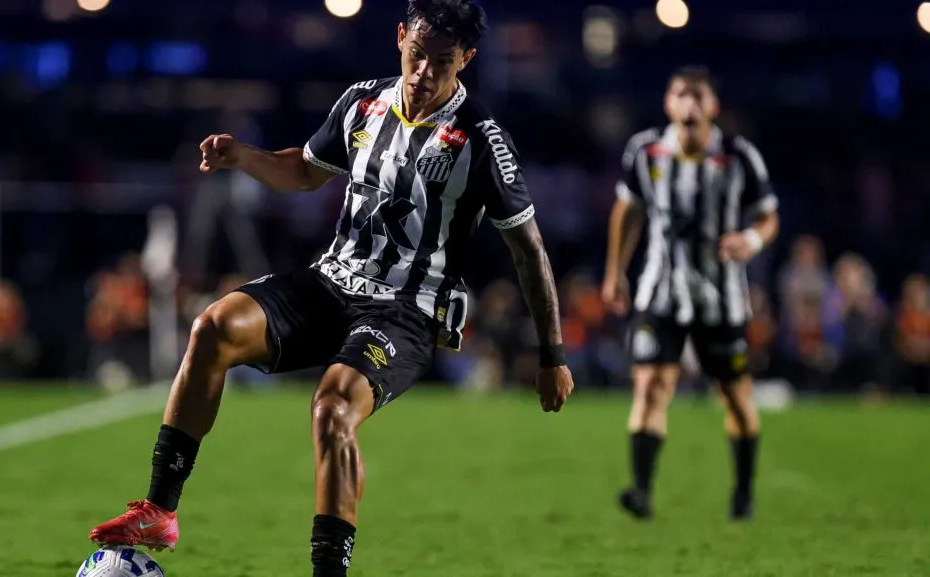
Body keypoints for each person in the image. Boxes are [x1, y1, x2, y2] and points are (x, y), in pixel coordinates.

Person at [88, 1, 575, 574]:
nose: (423, 73)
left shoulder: (480, 139)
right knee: (213, 326)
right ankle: (159, 511)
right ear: (400, 38)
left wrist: (552, 354)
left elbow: (529, 249)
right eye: (417, 55)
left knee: (333, 408)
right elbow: (306, 171)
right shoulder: (362, 101)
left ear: (465, 60)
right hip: (331, 283)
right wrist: (245, 158)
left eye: (441, 62)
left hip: (406, 310)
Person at [602, 66, 780, 521]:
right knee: (651, 387)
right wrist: (615, 273)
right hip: (660, 293)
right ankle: (640, 491)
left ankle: (743, 492)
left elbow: (767, 216)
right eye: (681, 94)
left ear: (713, 106)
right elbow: (628, 210)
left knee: (735, 396)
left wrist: (751, 241)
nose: (689, 103)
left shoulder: (740, 156)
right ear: (668, 103)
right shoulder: (645, 151)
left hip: (720, 299)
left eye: (698, 95)